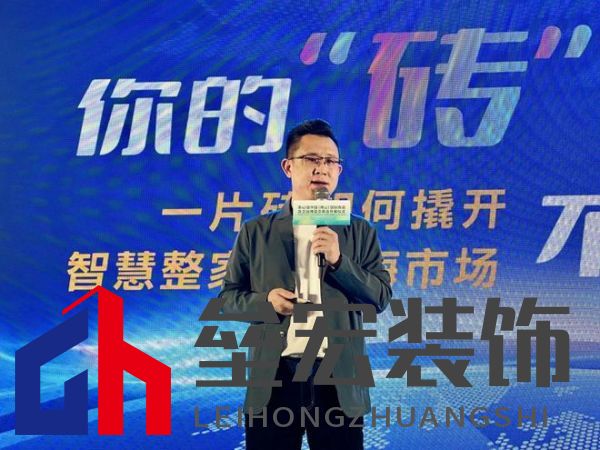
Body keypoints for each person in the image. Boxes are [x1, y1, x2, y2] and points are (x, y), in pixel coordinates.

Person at [219, 119, 391, 450]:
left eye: (330, 161)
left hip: (339, 378)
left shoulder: (359, 231)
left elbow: (380, 297)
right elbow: (228, 299)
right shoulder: (257, 232)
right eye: (311, 159)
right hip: (275, 376)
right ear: (288, 167)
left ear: (338, 171)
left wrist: (340, 262)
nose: (321, 168)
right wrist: (267, 303)